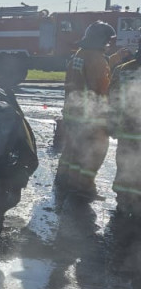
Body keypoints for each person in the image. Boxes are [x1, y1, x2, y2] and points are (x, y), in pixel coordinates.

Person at [55, 21, 128, 200]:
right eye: (107, 40)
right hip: (91, 116)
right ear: (101, 40)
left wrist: (114, 59)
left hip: (74, 113)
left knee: (73, 150)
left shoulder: (80, 54)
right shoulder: (95, 58)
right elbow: (102, 87)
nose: (108, 44)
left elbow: (88, 72)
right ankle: (84, 187)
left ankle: (65, 180)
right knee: (94, 152)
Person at [109, 44, 141, 217]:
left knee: (124, 163)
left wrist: (112, 123)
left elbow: (113, 98)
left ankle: (123, 200)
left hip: (127, 129)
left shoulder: (122, 70)